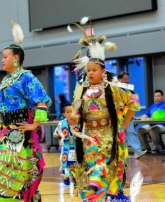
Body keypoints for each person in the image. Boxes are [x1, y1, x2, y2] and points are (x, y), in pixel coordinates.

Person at [68, 22, 139, 201]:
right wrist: (73, 121)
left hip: (108, 137)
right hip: (89, 137)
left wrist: (122, 125)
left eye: (94, 70)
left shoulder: (112, 89)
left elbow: (133, 102)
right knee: (89, 173)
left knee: (102, 172)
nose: (90, 73)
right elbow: (78, 114)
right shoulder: (81, 91)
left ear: (102, 71)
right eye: (88, 70)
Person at [0, 44, 52, 202]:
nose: (2, 60)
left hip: (17, 133)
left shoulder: (26, 77)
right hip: (6, 132)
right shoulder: (7, 79)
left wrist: (34, 125)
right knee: (10, 170)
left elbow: (41, 101)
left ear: (15, 59)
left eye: (5, 57)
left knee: (11, 170)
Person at [117, 72, 147, 158]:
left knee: (130, 132)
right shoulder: (115, 90)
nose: (127, 81)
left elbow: (133, 104)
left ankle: (138, 151)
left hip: (128, 116)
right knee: (118, 134)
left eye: (128, 79)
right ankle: (118, 153)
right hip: (118, 116)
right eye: (125, 79)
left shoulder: (130, 90)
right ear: (120, 79)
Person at [54, 105, 78, 186]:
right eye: (68, 112)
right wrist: (59, 142)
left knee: (76, 164)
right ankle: (66, 178)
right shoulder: (61, 123)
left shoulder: (78, 122)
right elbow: (58, 135)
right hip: (66, 146)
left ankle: (76, 181)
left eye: (72, 111)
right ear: (64, 114)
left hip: (76, 146)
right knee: (65, 163)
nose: (70, 113)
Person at [137, 89, 165, 153]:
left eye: (158, 96)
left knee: (153, 129)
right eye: (155, 96)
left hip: (162, 125)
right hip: (152, 124)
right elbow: (146, 115)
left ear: (162, 96)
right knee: (140, 130)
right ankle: (145, 148)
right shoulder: (152, 106)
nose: (157, 98)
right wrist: (137, 118)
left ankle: (157, 147)